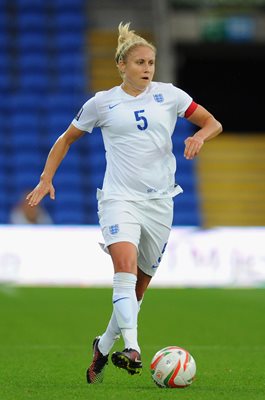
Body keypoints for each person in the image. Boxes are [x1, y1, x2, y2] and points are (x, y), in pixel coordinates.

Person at [26, 22, 222, 383]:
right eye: (140, 63)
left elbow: (212, 123)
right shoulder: (102, 103)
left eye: (151, 63)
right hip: (118, 199)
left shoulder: (170, 95)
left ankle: (103, 345)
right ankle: (133, 347)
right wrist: (46, 178)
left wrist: (200, 138)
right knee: (125, 266)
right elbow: (66, 139)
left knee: (138, 288)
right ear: (121, 66)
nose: (147, 69)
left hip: (161, 202)